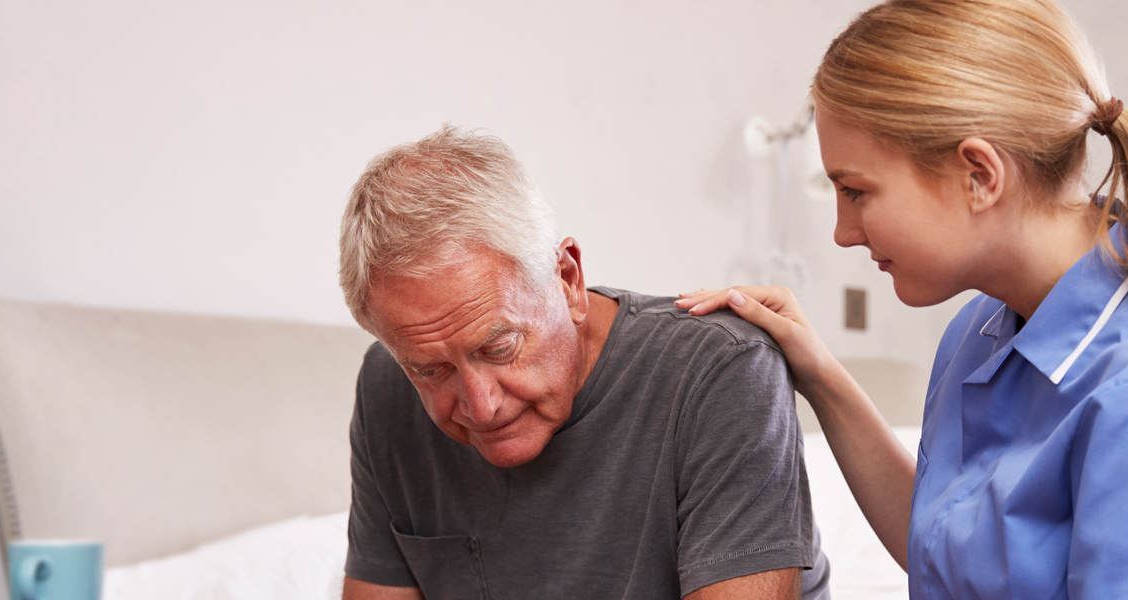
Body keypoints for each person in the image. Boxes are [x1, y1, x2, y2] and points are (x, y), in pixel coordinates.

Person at [675, 0, 1128, 598]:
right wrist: (821, 375)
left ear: (979, 174)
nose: (843, 233)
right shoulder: (982, 332)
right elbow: (944, 561)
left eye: (857, 192)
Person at [336, 126, 831, 600]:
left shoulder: (722, 371)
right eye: (430, 370)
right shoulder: (387, 387)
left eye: (498, 347)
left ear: (567, 279)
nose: (481, 407)